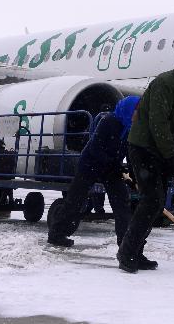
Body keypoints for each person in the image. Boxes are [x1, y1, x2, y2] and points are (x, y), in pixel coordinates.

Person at [116, 45, 174, 273]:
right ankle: (127, 252)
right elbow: (159, 123)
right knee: (151, 200)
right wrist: (170, 154)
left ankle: (135, 250)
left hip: (161, 150)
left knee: (156, 203)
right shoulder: (164, 83)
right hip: (143, 147)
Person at [48, 96, 140, 249]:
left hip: (111, 168)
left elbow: (130, 152)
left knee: (121, 202)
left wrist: (132, 174)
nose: (139, 114)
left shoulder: (131, 127)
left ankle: (126, 244)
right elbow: (95, 148)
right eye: (137, 111)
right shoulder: (109, 122)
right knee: (75, 201)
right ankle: (57, 234)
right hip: (90, 164)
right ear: (129, 109)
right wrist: (113, 164)